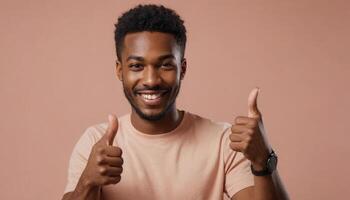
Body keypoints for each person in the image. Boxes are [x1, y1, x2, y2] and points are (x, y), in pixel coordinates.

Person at [62, 4, 289, 200]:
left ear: (183, 69)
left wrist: (263, 161)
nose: (151, 80)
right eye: (136, 66)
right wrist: (88, 182)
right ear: (120, 70)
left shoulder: (223, 142)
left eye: (165, 65)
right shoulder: (95, 143)